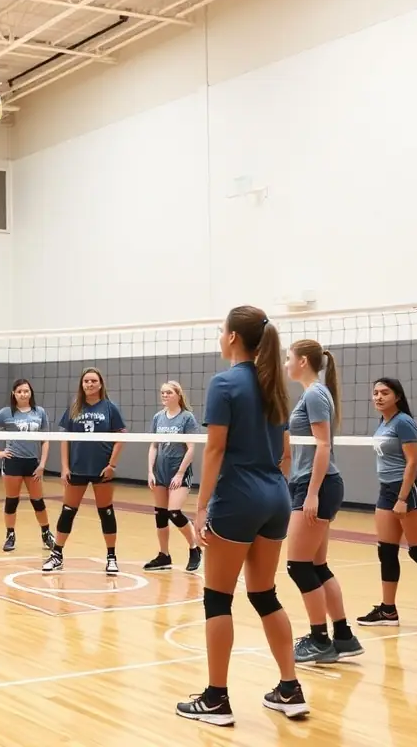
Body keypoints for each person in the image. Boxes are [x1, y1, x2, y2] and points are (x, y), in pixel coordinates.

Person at [176, 305, 307, 727]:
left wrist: (201, 507)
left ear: (233, 338)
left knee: (217, 597)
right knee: (264, 593)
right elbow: (285, 454)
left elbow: (214, 450)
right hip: (276, 497)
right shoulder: (275, 385)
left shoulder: (225, 383)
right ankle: (290, 688)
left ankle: (216, 699)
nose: (219, 336)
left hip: (239, 498)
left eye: (221, 331)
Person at [283, 339, 362, 663]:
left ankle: (319, 639)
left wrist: (312, 492)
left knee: (298, 566)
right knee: (316, 565)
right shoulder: (313, 393)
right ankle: (343, 636)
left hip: (317, 485)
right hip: (314, 483)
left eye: (288, 358)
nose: (286, 363)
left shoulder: (315, 393)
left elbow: (323, 446)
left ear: (303, 361)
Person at [356, 377, 417, 634]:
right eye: (375, 392)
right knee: (386, 551)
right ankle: (388, 609)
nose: (378, 397)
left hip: (410, 490)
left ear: (397, 396)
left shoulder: (404, 422)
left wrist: (402, 498)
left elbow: (412, 463)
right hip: (387, 490)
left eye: (384, 393)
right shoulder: (383, 422)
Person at [42, 367, 127, 575]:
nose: (89, 384)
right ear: (82, 384)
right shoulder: (75, 408)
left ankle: (111, 557)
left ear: (100, 384)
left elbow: (121, 436)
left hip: (102, 469)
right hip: (78, 467)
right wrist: (64, 466)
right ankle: (57, 554)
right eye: (86, 381)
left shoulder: (109, 408)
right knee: (68, 511)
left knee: (106, 512)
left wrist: (112, 465)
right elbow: (65, 439)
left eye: (93, 381)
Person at [0, 378, 55, 552]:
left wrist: (42, 464)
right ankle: (10, 535)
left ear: (31, 393)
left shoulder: (40, 412)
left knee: (38, 501)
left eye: (26, 391)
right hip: (13, 461)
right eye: (20, 391)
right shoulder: (7, 413)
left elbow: (46, 440)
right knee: (12, 501)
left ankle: (46, 534)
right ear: (14, 393)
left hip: (32, 463)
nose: (23, 394)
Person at [144, 380, 201, 573]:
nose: (165, 396)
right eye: (162, 393)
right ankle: (164, 555)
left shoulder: (187, 418)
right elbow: (153, 445)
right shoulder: (158, 417)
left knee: (174, 512)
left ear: (178, 394)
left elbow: (192, 448)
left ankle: (194, 548)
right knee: (160, 515)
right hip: (160, 471)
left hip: (178, 471)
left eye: (168, 393)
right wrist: (150, 471)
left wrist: (180, 473)